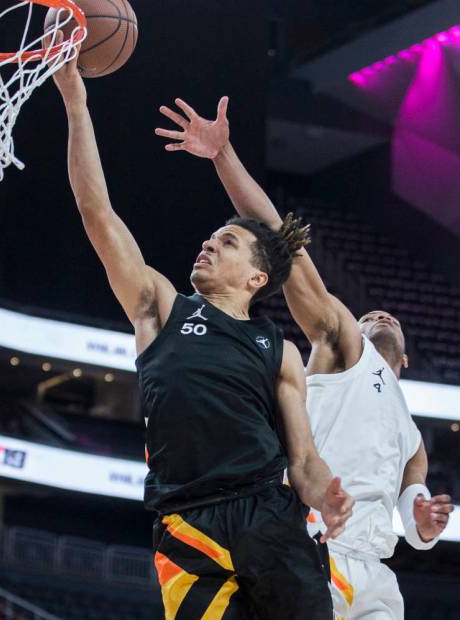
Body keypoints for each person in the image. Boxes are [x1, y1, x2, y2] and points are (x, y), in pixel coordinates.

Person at [51, 49, 354, 618]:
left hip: (270, 513)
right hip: (188, 525)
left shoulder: (280, 351)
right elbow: (97, 212)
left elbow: (304, 461)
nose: (210, 243)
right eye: (212, 238)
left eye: (228, 242)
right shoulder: (158, 308)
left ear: (257, 277)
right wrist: (75, 102)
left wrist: (326, 496)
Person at [156, 96, 454, 619]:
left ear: (405, 363)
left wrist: (424, 525)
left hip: (378, 574)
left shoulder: (411, 435)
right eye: (369, 316)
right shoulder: (345, 348)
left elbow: (411, 500)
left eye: (391, 319)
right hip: (313, 550)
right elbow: (285, 249)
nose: (379, 316)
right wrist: (224, 156)